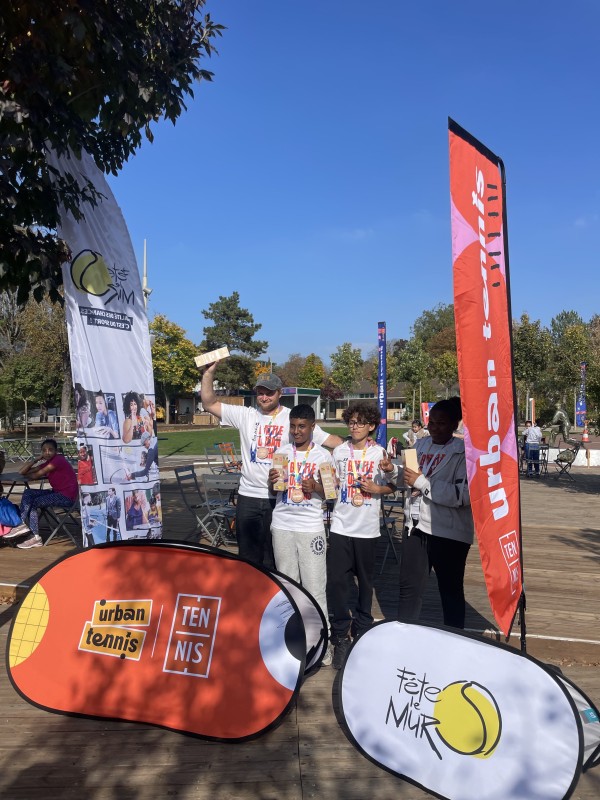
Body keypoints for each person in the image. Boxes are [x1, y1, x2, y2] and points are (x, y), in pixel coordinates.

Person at [200, 362, 343, 567]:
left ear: (279, 393)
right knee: (248, 558)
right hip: (248, 496)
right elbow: (209, 403)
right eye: (260, 393)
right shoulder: (246, 415)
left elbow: (331, 441)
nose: (264, 397)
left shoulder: (293, 419)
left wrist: (360, 448)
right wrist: (209, 373)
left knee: (275, 558)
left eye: (269, 393)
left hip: (278, 498)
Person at [327, 401, 397, 669]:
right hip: (341, 526)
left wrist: (378, 489)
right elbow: (332, 484)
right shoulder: (339, 451)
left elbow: (395, 485)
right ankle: (341, 635)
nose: (354, 426)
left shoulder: (379, 453)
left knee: (366, 583)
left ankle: (363, 628)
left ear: (371, 426)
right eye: (351, 422)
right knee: (338, 582)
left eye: (360, 422)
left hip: (367, 529)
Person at [397, 397, 474, 630]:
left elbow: (463, 496)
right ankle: (403, 638)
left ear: (454, 425)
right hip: (416, 528)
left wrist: (422, 482)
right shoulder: (419, 447)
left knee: (450, 591)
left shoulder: (463, 454)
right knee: (409, 589)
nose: (434, 428)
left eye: (442, 423)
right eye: (432, 422)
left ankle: (454, 640)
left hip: (448, 533)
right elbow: (405, 479)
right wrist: (392, 472)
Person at [268, 404, 334, 665]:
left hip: (310, 528)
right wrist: (273, 480)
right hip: (282, 524)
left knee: (315, 587)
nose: (296, 431)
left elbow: (330, 493)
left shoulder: (322, 457)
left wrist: (315, 485)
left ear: (312, 427)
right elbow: (275, 491)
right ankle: (291, 642)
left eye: (302, 426)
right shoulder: (281, 453)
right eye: (293, 426)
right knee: (287, 585)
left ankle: (322, 643)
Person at [4, 439, 78, 549]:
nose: (47, 452)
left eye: (50, 450)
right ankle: (21, 524)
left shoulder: (58, 460)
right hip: (57, 493)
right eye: (44, 450)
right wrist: (36, 460)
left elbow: (35, 476)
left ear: (56, 451)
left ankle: (35, 537)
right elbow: (22, 472)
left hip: (67, 496)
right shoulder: (48, 463)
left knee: (35, 502)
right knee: (29, 492)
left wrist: (33, 472)